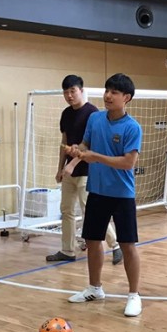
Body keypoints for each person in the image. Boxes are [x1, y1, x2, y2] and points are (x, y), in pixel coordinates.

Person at [65, 73, 143, 317]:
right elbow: (86, 145)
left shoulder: (132, 127)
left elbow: (128, 162)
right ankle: (95, 288)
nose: (108, 96)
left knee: (127, 245)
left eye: (114, 92)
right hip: (97, 190)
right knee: (92, 240)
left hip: (122, 194)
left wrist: (95, 157)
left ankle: (134, 295)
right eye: (106, 90)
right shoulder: (95, 118)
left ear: (126, 98)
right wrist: (78, 151)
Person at [47, 75, 122, 265]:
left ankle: (115, 245)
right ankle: (67, 250)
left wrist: (72, 164)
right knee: (66, 210)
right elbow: (64, 142)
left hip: (88, 171)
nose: (69, 95)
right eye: (66, 92)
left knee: (91, 211)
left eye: (72, 91)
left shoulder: (92, 113)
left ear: (81, 90)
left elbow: (89, 145)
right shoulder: (66, 114)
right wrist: (60, 168)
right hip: (69, 172)